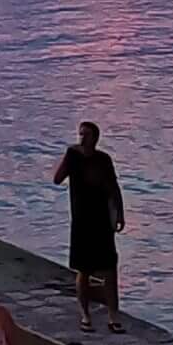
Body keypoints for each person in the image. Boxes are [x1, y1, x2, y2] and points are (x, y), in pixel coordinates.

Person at [53, 120, 126, 330]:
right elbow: (57, 179)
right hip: (82, 221)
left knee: (109, 269)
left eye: (87, 134)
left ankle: (113, 316)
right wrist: (67, 157)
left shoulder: (103, 159)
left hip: (101, 220)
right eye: (81, 134)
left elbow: (113, 187)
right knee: (83, 270)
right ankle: (85, 315)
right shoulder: (73, 156)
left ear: (95, 138)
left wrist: (119, 213)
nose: (82, 138)